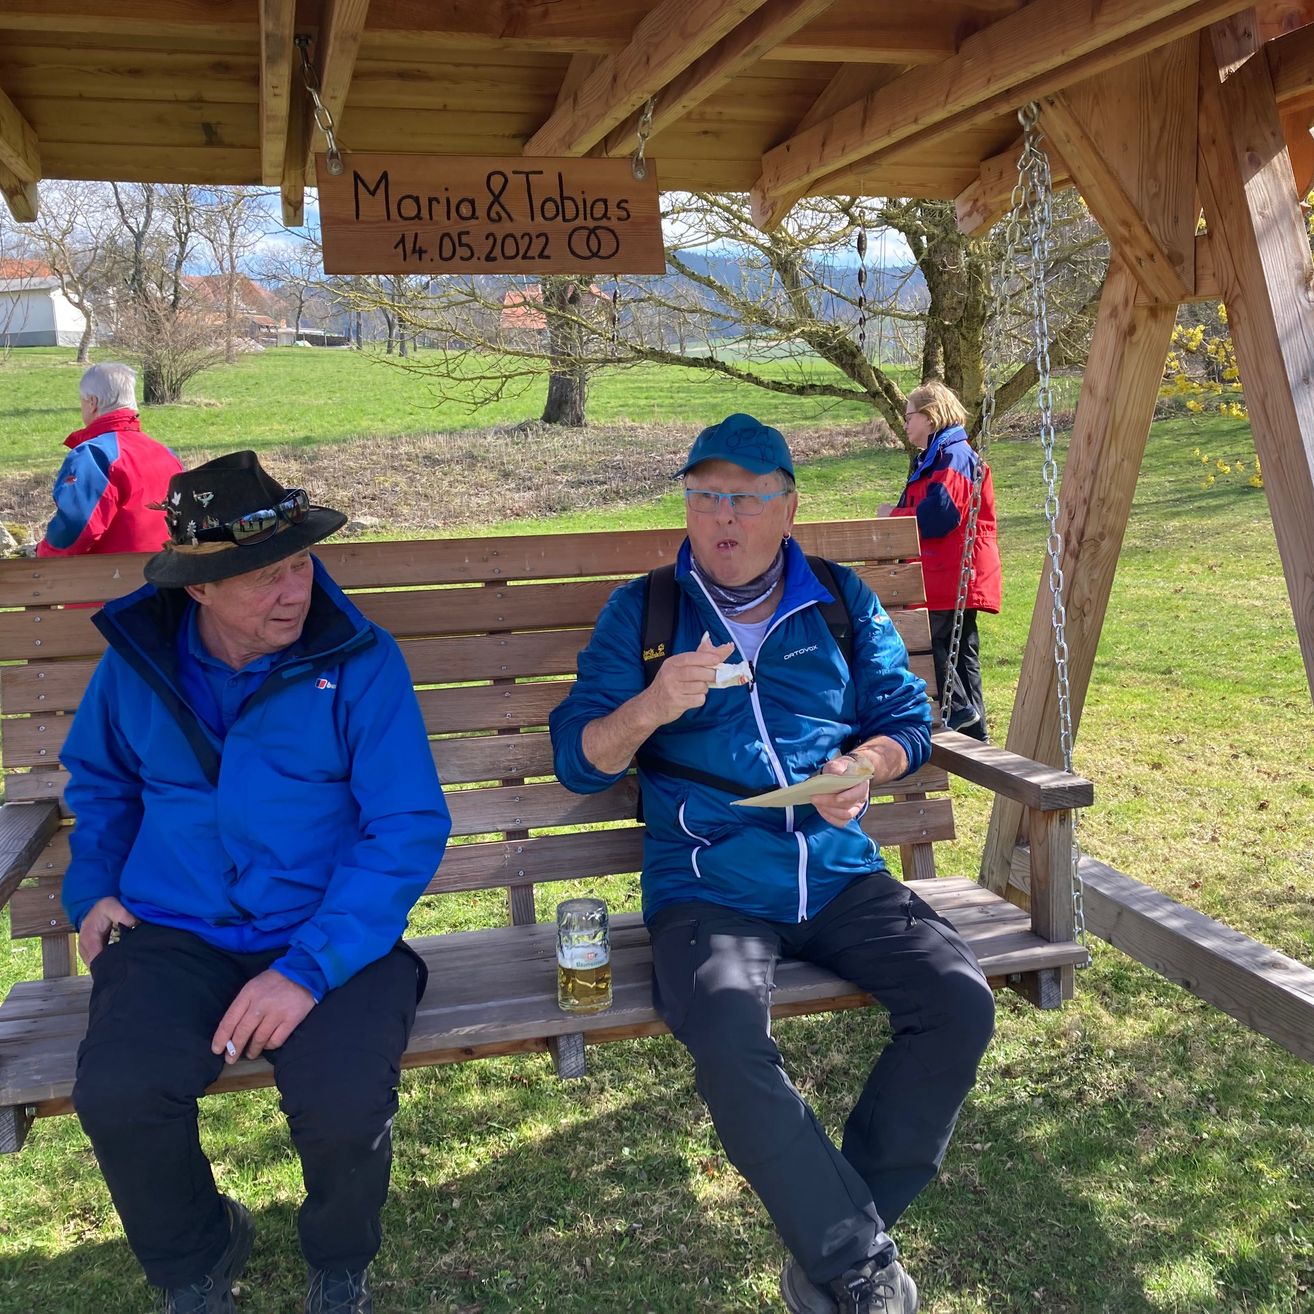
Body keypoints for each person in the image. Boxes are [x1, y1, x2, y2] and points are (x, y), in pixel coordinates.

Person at [550, 413, 995, 1314]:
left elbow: (910, 720)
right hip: (707, 882)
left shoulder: (839, 599)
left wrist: (864, 768)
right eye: (706, 495)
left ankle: (831, 1237)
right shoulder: (647, 613)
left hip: (836, 868)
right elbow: (577, 758)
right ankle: (857, 1262)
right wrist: (650, 705)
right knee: (723, 1030)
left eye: (747, 497)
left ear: (788, 507)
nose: (723, 516)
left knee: (958, 1001)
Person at [60, 451, 451, 1314]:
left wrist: (307, 967)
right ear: (198, 587)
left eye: (299, 562)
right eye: (261, 576)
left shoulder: (359, 660)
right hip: (176, 930)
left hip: (327, 933)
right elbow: (102, 787)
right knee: (119, 1093)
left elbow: (406, 825)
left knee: (346, 1104)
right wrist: (91, 889)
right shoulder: (139, 663)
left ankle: (340, 1265)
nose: (293, 590)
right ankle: (197, 1262)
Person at [878, 381, 1001, 741]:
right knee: (960, 651)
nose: (905, 424)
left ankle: (960, 709)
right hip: (954, 569)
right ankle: (975, 731)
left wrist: (894, 516)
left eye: (909, 416)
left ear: (930, 418)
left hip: (949, 570)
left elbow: (940, 515)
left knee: (931, 642)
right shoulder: (938, 457)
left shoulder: (953, 456)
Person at [36, 361, 183, 557]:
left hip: (115, 581)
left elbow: (75, 530)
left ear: (92, 402)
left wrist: (42, 554)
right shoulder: (167, 454)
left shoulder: (95, 455)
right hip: (168, 575)